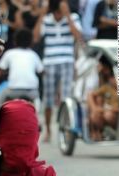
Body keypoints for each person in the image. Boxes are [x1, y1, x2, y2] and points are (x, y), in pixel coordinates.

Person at [33, 0, 82, 142]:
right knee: (48, 99)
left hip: (67, 60)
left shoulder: (73, 17)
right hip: (49, 62)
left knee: (66, 97)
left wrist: (67, 15)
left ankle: (65, 128)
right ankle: (48, 130)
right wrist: (42, 13)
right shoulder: (47, 19)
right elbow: (36, 37)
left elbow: (78, 36)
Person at [0, 29, 43, 103]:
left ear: (15, 41)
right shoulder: (33, 54)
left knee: (1, 97)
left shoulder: (9, 53)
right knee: (37, 100)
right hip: (31, 91)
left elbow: (0, 70)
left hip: (13, 90)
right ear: (31, 42)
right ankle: (36, 113)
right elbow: (41, 71)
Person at [87, 58, 119, 141]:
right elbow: (90, 95)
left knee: (108, 115)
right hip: (107, 111)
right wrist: (95, 109)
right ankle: (96, 132)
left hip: (115, 114)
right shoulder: (106, 86)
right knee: (96, 112)